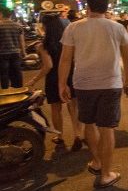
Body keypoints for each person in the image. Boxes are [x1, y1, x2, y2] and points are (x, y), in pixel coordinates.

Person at [59, 0, 128, 188]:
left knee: (89, 124)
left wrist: (61, 84)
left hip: (83, 84)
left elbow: (65, 59)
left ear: (88, 7)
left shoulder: (73, 27)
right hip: (110, 83)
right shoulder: (117, 27)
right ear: (106, 7)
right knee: (107, 128)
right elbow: (127, 58)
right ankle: (106, 174)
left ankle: (97, 162)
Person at [25, 13, 85, 150]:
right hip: (69, 75)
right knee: (73, 107)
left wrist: (34, 80)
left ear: (45, 26)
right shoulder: (68, 41)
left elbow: (48, 66)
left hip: (53, 79)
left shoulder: (43, 45)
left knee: (56, 109)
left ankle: (60, 136)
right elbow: (75, 60)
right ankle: (78, 134)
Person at [0, 6, 25, 89]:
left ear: (1, 14)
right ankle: (19, 90)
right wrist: (23, 52)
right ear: (10, 15)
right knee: (17, 73)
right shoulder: (17, 25)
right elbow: (21, 41)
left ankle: (6, 92)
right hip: (15, 53)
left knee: (4, 74)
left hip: (2, 54)